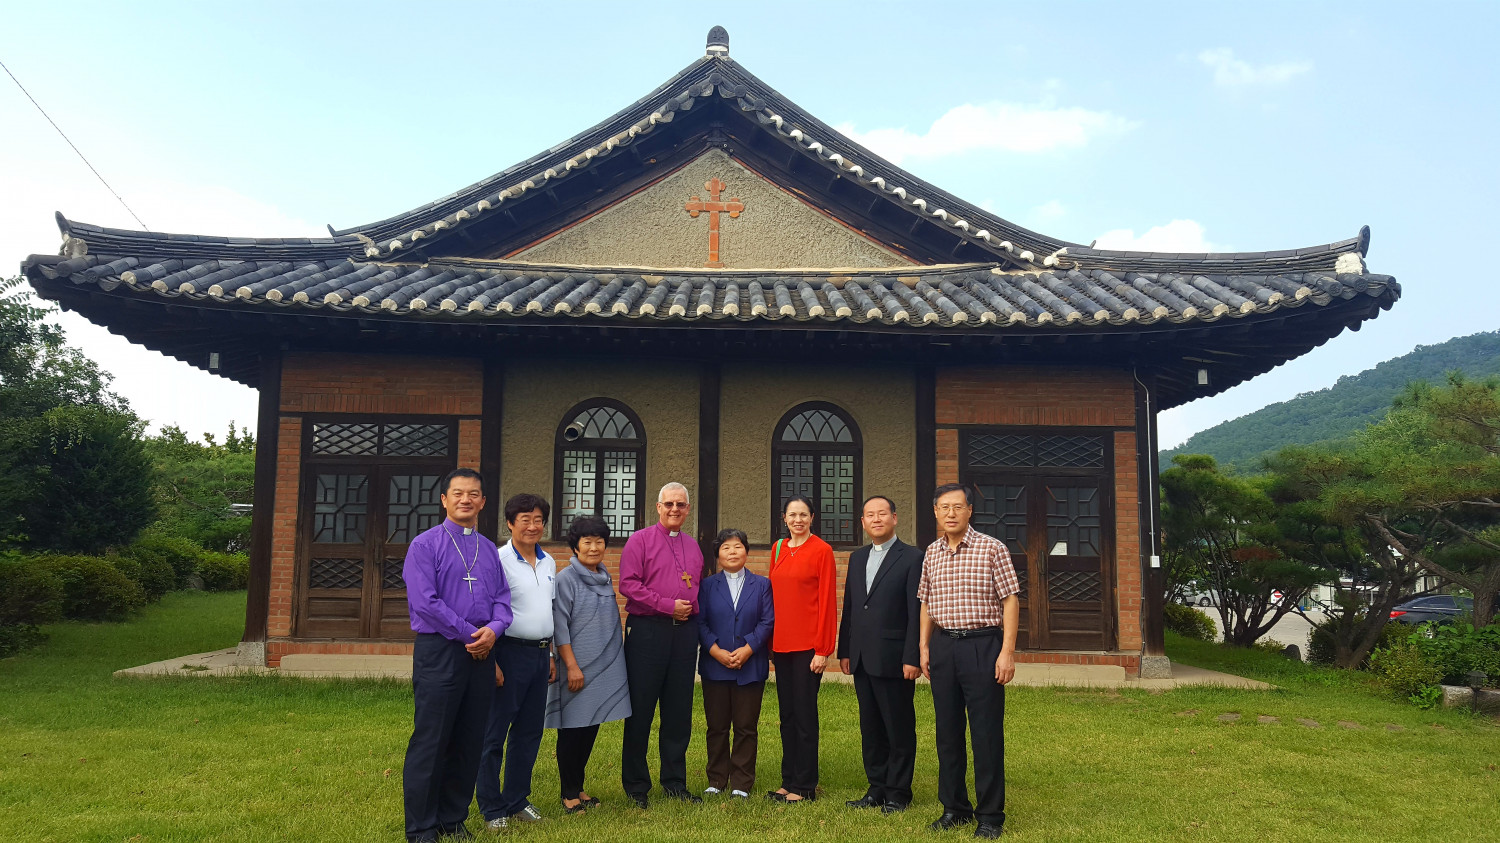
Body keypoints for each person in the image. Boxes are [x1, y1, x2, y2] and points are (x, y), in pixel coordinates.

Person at [401, 468, 513, 843]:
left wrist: (494, 631)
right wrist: (472, 634)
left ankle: (452, 817)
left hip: (481, 653)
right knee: (432, 739)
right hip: (442, 650)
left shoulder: (488, 550)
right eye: (458, 493)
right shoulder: (425, 545)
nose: (466, 500)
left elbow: (503, 601)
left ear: (483, 501)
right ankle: (421, 827)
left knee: (470, 738)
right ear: (445, 500)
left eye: (474, 494)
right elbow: (426, 603)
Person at [918, 483, 1020, 840]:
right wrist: (924, 646)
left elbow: (1010, 600)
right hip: (944, 646)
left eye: (957, 507)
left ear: (969, 510)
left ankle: (990, 815)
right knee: (947, 733)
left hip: (982, 646)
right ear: (935, 512)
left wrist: (1007, 651)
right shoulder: (931, 553)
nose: (950, 513)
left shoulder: (992, 548)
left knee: (986, 734)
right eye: (944, 507)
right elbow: (926, 602)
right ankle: (954, 808)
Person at [618, 481, 704, 807]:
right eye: (668, 504)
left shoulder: (692, 546)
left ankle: (674, 782)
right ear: (658, 507)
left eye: (680, 505)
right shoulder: (639, 541)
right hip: (648, 632)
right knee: (640, 711)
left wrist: (690, 615)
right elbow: (628, 584)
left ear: (687, 509)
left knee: (678, 711)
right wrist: (669, 606)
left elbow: (694, 588)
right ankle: (637, 786)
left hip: (683, 635)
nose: (674, 510)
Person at [837, 495, 923, 814]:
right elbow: (851, 606)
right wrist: (845, 649)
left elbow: (916, 612)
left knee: (897, 726)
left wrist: (912, 656)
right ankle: (876, 787)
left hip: (895, 657)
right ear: (863, 522)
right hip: (860, 656)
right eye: (869, 515)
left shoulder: (913, 557)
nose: (876, 519)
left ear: (894, 518)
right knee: (870, 726)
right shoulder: (858, 558)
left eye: (882, 514)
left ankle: (899, 792)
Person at [476, 493, 556, 829]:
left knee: (529, 732)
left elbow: (547, 610)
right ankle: (492, 808)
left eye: (538, 520)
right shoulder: (497, 560)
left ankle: (516, 799)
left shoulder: (550, 561)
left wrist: (550, 654)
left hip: (539, 655)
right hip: (507, 652)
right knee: (494, 733)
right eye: (525, 519)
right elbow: (485, 612)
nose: (532, 526)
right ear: (510, 523)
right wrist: (491, 660)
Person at [546, 514, 631, 814]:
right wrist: (571, 665)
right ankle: (568, 793)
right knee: (571, 730)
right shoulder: (566, 579)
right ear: (575, 546)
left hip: (601, 669)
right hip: (577, 667)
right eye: (587, 542)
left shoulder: (604, 576)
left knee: (590, 727)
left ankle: (579, 787)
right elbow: (560, 626)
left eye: (599, 542)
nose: (594, 547)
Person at [766, 495, 838, 803]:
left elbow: (827, 602)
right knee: (788, 715)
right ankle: (788, 781)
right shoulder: (778, 548)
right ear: (784, 518)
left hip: (808, 646)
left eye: (803, 515)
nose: (798, 520)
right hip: (780, 645)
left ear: (812, 518)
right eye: (792, 515)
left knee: (805, 715)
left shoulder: (822, 551)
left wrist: (823, 649)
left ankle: (805, 786)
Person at [697, 528, 774, 799]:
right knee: (717, 726)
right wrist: (715, 650)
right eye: (726, 547)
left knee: (745, 727)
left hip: (750, 665)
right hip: (714, 665)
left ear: (747, 551)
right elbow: (701, 621)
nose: (732, 552)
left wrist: (748, 648)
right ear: (718, 554)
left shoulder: (762, 585)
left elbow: (767, 621)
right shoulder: (706, 586)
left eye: (738, 546)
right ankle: (716, 779)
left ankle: (741, 782)